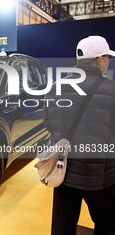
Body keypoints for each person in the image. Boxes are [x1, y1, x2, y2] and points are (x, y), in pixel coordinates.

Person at [43, 36, 115, 235]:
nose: (108, 62)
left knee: (62, 225)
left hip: (63, 171)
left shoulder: (57, 87)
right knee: (107, 223)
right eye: (107, 57)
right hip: (100, 176)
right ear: (100, 59)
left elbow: (47, 124)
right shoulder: (112, 90)